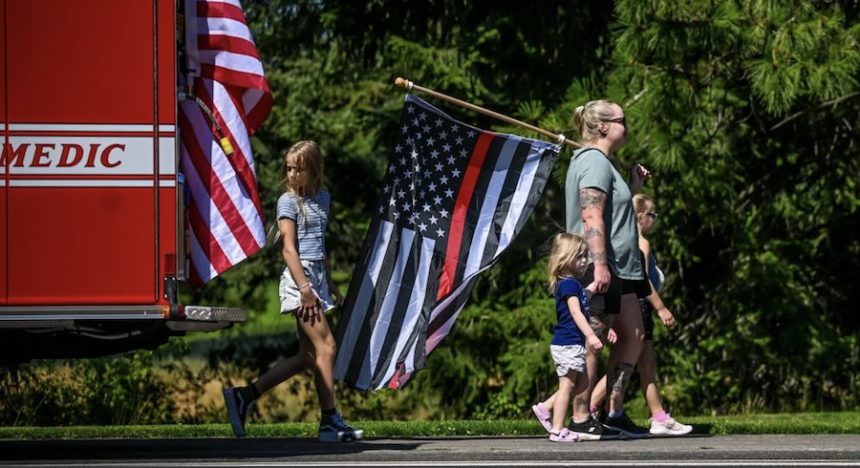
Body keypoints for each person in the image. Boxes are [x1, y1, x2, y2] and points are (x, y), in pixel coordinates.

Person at [222, 140, 362, 442]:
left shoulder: (323, 197)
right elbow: (288, 250)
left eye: (299, 169)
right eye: (289, 168)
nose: (292, 174)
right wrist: (306, 290)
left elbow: (320, 245)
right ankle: (328, 423)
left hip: (318, 279)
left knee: (308, 357)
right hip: (300, 280)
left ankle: (243, 396)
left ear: (313, 169)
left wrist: (331, 285)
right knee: (327, 348)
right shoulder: (287, 202)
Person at [536, 99, 652, 440]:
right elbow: (590, 215)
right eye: (622, 120)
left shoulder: (604, 164)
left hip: (622, 269)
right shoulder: (593, 162)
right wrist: (599, 265)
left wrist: (632, 187)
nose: (627, 127)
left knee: (634, 336)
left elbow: (612, 211)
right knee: (593, 341)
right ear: (604, 127)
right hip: (601, 266)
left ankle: (608, 409)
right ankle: (580, 416)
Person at [589, 194, 693, 436]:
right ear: (639, 217)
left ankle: (650, 414)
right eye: (652, 215)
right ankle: (602, 408)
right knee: (641, 365)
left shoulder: (627, 241)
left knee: (640, 364)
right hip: (639, 307)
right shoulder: (641, 243)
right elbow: (643, 280)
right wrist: (661, 307)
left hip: (630, 305)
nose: (654, 220)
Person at [533, 232, 605, 442]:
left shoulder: (571, 285)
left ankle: (545, 408)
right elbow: (576, 312)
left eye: (585, 256)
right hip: (568, 344)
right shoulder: (570, 285)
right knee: (567, 386)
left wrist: (591, 288)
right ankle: (557, 429)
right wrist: (591, 335)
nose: (584, 261)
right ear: (564, 258)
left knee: (581, 384)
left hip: (570, 344)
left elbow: (581, 301)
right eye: (579, 257)